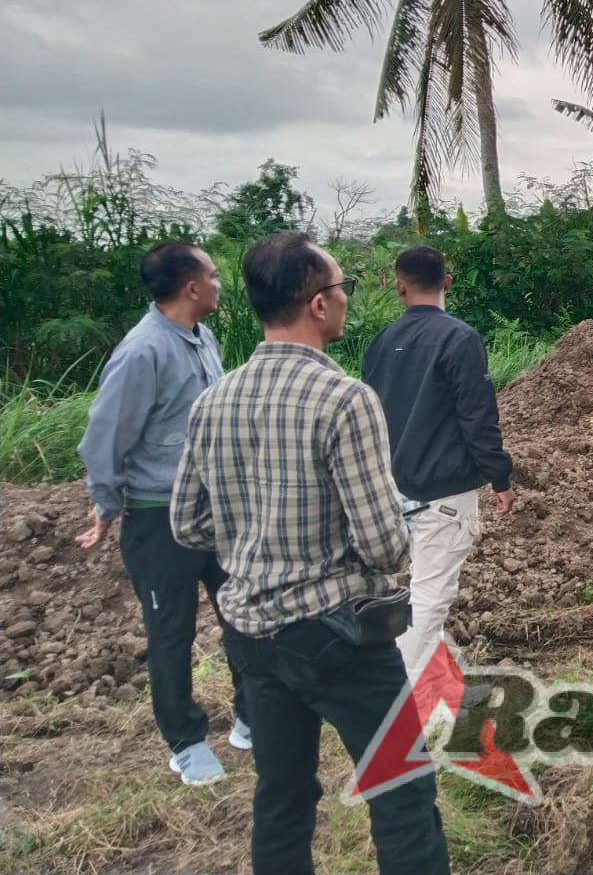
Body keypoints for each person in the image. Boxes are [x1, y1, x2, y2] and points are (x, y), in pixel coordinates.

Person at [171, 233, 450, 875]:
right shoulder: (345, 400)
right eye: (341, 286)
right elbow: (381, 543)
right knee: (400, 793)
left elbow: (187, 523)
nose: (347, 297)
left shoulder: (213, 402)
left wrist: (254, 544)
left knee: (282, 794)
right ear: (318, 304)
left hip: (250, 636)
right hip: (337, 636)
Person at [74, 240, 249, 786]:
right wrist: (105, 505)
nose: (220, 284)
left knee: (241, 614)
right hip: (158, 516)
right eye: (214, 276)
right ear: (191, 288)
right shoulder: (142, 352)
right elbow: (104, 437)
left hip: (215, 510)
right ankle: (187, 741)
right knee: (169, 630)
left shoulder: (203, 338)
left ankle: (251, 717)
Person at [362, 245, 515, 697]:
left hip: (392, 487)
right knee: (428, 598)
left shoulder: (380, 343)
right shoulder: (459, 339)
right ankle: (404, 702)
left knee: (408, 594)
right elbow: (478, 417)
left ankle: (434, 686)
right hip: (445, 492)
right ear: (447, 283)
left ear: (399, 286)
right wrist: (500, 477)